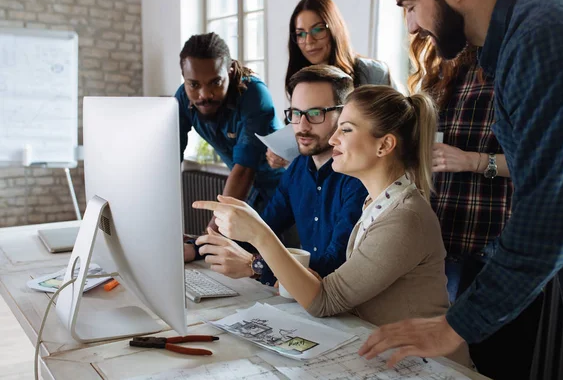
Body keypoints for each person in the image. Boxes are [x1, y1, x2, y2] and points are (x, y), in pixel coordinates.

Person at [361, 0, 563, 367]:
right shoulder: (523, 34)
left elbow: (549, 215)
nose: (411, 26)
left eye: (409, 5)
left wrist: (452, 327)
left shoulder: (546, 35)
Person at [193, 85, 471, 367]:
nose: (334, 139)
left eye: (346, 130)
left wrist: (260, 236)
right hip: (390, 358)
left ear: (384, 145)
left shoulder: (404, 218)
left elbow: (323, 300)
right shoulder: (378, 202)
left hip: (435, 368)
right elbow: (330, 287)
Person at [413, 36, 542, 379]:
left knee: (491, 364)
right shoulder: (440, 68)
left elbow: (541, 159)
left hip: (492, 244)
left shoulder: (512, 63)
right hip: (441, 240)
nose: (413, 24)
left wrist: (473, 160)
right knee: (443, 367)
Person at [184, 65, 367, 286]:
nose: (302, 126)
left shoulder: (358, 178)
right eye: (296, 113)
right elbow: (263, 225)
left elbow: (334, 264)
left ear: (344, 114)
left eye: (316, 113)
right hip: (306, 301)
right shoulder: (299, 169)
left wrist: (254, 266)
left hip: (345, 306)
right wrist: (198, 247)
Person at [266, 0, 400, 169]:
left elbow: (397, 128)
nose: (309, 41)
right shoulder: (301, 80)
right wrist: (283, 153)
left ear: (334, 29)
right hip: (320, 179)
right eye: (300, 34)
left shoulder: (372, 73)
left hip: (365, 174)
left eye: (317, 30)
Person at [176, 33, 284, 233]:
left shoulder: (254, 95)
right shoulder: (182, 98)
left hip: (283, 190)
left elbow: (243, 171)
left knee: (275, 258)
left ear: (231, 72)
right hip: (245, 190)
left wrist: (210, 233)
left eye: (215, 82)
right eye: (194, 85)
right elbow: (170, 157)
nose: (205, 95)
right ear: (184, 80)